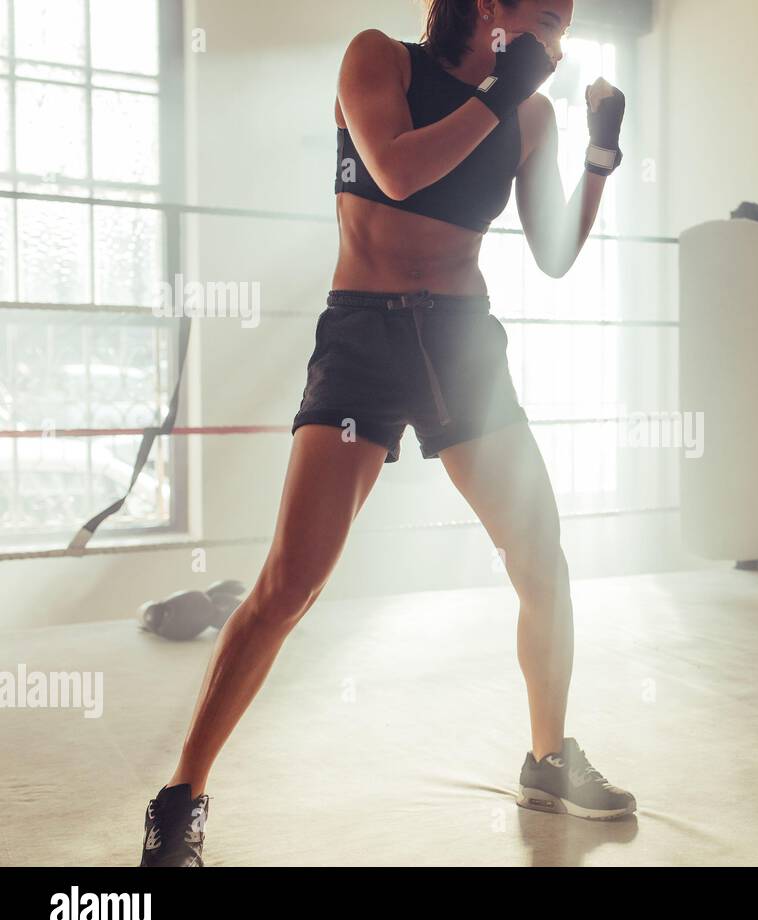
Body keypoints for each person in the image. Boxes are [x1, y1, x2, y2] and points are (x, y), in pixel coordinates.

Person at [140, 0, 634, 867]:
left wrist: (600, 152)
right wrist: (498, 89)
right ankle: (181, 795)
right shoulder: (380, 61)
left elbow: (553, 253)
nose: (556, 37)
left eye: (564, 24)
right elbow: (398, 172)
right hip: (365, 335)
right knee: (290, 583)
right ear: (490, 8)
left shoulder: (530, 111)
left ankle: (549, 760)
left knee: (540, 556)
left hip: (464, 341)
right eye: (545, 17)